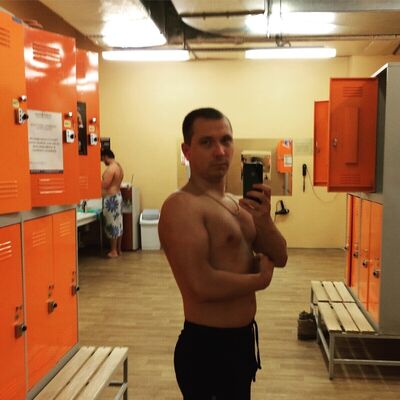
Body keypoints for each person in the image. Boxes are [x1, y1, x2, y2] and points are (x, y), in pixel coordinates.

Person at [158, 107, 288, 399]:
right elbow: (201, 284)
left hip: (241, 343)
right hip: (207, 348)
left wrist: (264, 220)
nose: (219, 151)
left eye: (226, 140)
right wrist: (259, 280)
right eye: (207, 142)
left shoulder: (236, 204)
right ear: (187, 151)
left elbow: (280, 256)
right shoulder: (182, 205)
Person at [101, 149, 124, 258]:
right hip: (118, 196)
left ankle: (113, 251)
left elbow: (105, 185)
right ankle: (119, 250)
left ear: (106, 156)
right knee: (118, 224)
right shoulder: (119, 166)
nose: (103, 162)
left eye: (102, 159)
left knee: (112, 224)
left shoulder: (111, 168)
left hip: (111, 200)